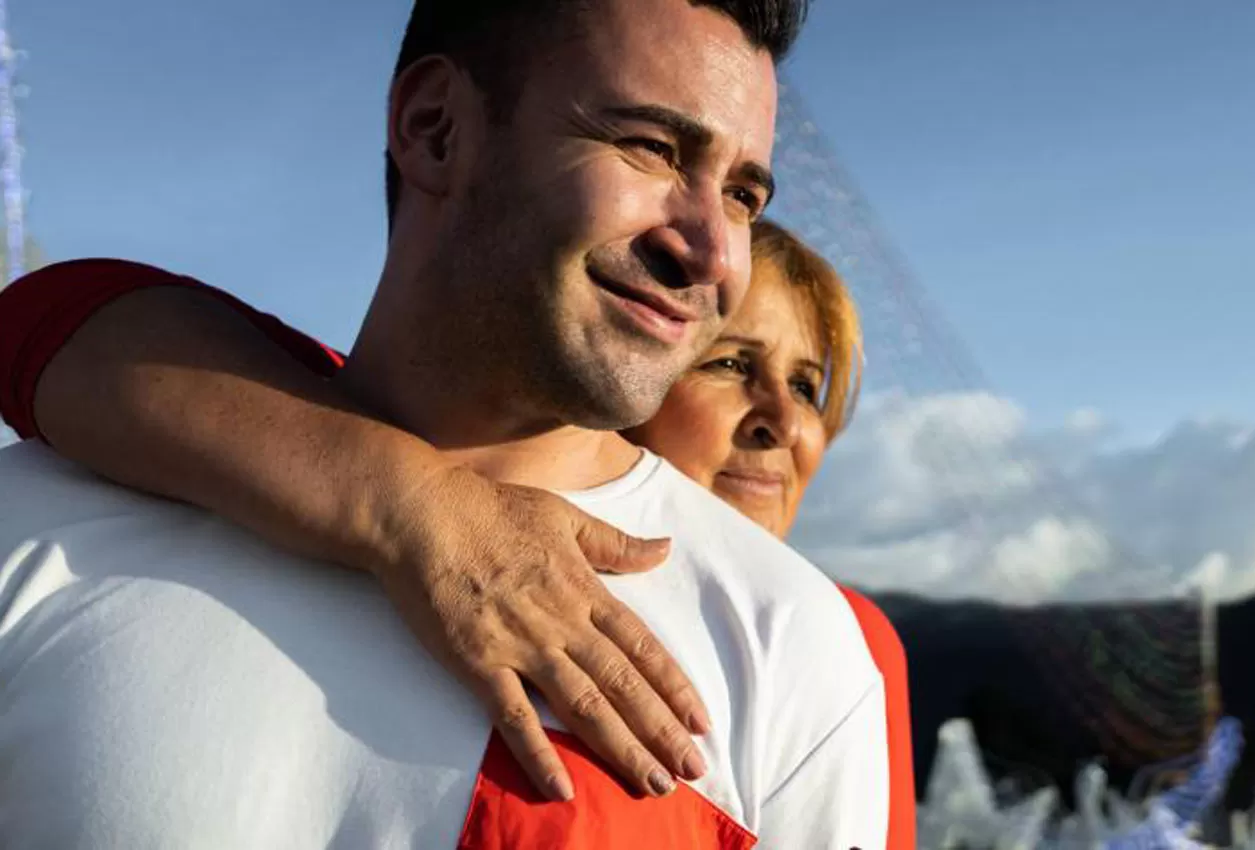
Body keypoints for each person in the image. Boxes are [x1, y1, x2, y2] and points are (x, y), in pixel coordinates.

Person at [0, 0, 891, 847]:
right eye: (650, 147)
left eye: (743, 195)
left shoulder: (797, 653)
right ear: (436, 128)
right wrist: (407, 501)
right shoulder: (40, 519)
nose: (710, 249)